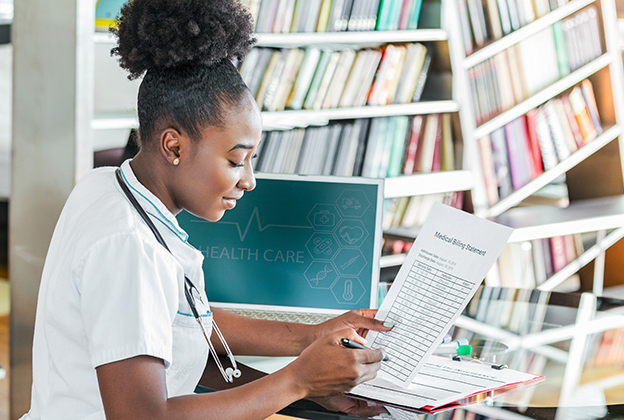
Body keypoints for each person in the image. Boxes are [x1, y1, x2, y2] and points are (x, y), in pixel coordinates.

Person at [20, 0, 392, 418]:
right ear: (173, 146)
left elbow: (183, 329)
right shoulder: (129, 247)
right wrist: (296, 380)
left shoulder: (106, 184)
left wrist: (308, 354)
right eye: (236, 160)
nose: (249, 180)